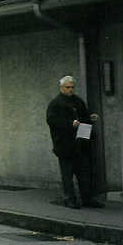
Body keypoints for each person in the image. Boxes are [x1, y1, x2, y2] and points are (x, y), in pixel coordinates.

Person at [45, 75, 102, 208]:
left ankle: (87, 198)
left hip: (81, 142)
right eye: (67, 87)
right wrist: (70, 124)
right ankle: (69, 199)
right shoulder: (56, 103)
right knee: (67, 174)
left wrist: (90, 118)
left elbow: (84, 117)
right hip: (65, 144)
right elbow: (52, 121)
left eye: (72, 87)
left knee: (84, 173)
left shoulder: (78, 101)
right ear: (62, 88)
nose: (70, 90)